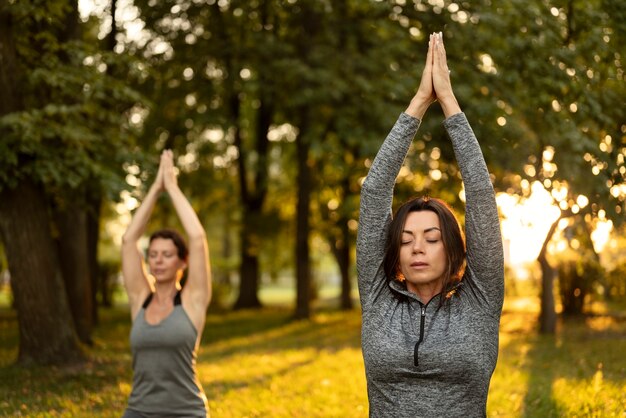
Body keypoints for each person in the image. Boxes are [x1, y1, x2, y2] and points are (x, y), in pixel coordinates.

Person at [356, 32, 504, 417]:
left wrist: (449, 103)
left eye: (431, 238)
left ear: (451, 247)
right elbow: (374, 193)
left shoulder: (480, 300)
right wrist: (420, 102)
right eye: (405, 241)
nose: (417, 248)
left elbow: (481, 196)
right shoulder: (377, 299)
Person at [121, 149, 212, 418]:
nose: (158, 261)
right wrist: (155, 189)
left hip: (186, 412)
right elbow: (128, 241)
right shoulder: (140, 298)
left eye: (167, 255)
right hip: (138, 411)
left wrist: (172, 188)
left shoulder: (193, 300)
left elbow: (197, 238)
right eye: (153, 255)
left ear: (182, 262)